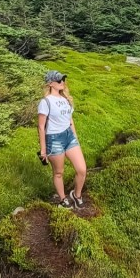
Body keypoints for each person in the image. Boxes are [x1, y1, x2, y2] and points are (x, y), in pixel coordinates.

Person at [37, 70, 87, 209]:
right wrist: (43, 150)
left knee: (82, 169)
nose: (62, 82)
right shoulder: (45, 102)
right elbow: (41, 127)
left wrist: (75, 138)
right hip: (54, 139)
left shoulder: (66, 99)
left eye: (63, 80)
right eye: (59, 80)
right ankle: (63, 199)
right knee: (59, 172)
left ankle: (76, 195)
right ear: (50, 83)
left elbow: (70, 121)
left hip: (69, 137)